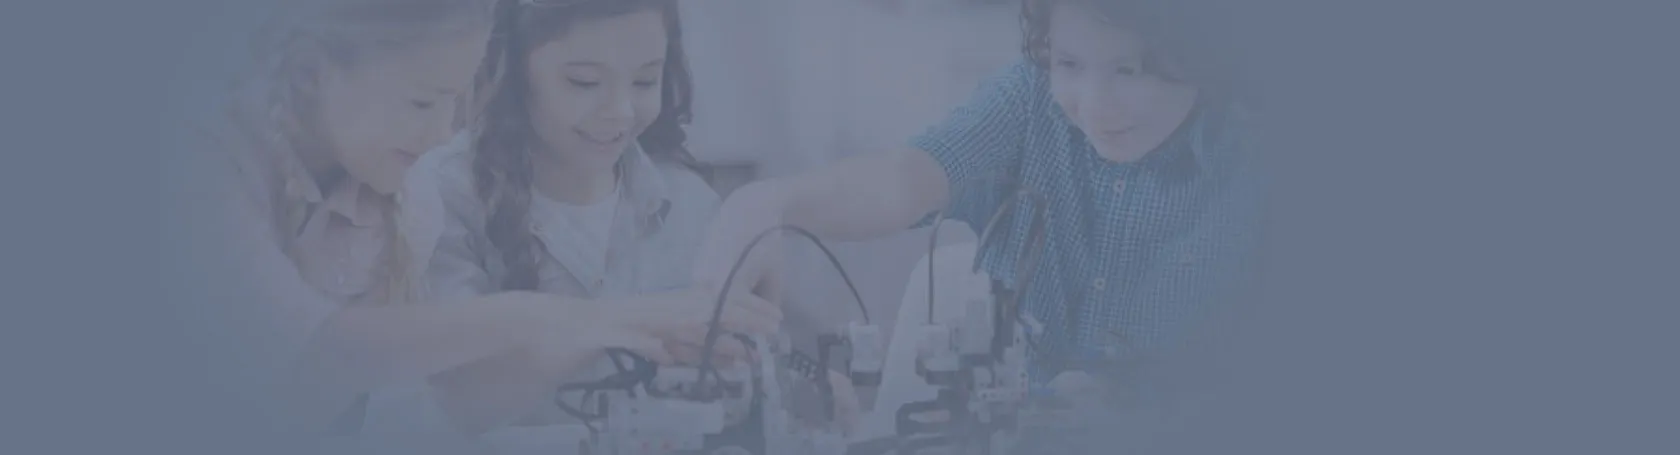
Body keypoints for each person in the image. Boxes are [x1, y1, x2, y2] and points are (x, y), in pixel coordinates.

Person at [193, 0, 763, 444]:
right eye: (584, 82)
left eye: (644, 80)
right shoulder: (209, 166)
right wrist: (586, 320)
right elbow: (336, 366)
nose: (444, 131)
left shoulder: (389, 197)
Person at [691, 0, 1263, 414]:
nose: (1093, 106)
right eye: (1068, 64)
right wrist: (766, 203)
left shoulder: (1261, 160)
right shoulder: (1030, 99)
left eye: (1128, 71)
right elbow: (905, 179)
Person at [419, 0, 852, 439]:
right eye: (584, 82)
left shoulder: (689, 202)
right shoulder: (436, 197)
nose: (621, 111)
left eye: (645, 79)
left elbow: (750, 372)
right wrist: (622, 322)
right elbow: (453, 401)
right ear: (510, 71)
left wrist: (795, 387)